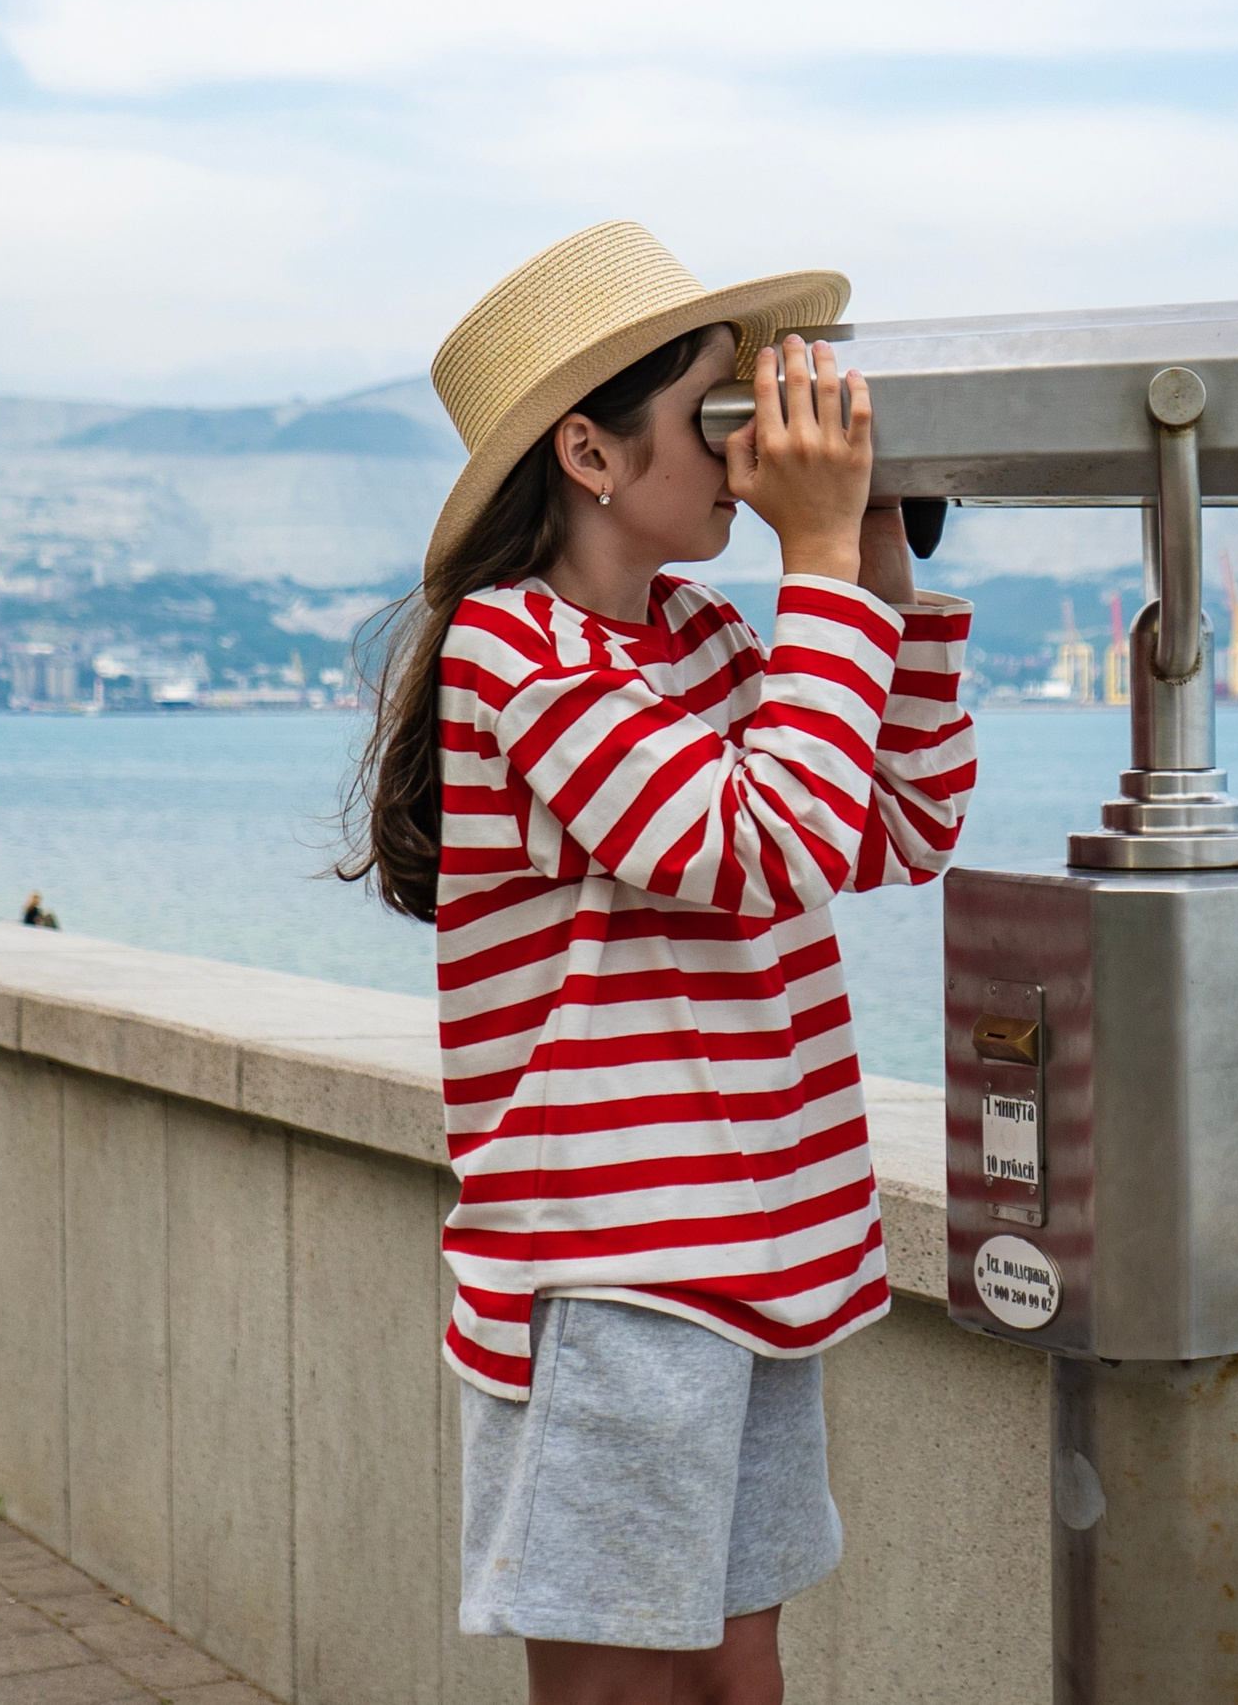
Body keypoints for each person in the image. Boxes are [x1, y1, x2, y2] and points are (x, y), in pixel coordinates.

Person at [341, 222, 975, 1704]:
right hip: (619, 1272)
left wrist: (877, 574)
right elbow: (767, 845)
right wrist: (816, 562)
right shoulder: (519, 654)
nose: (747, 444)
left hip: (756, 1253)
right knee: (627, 1681)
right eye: (714, 412)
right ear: (590, 452)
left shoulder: (693, 635)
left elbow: (899, 822)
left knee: (736, 1664)